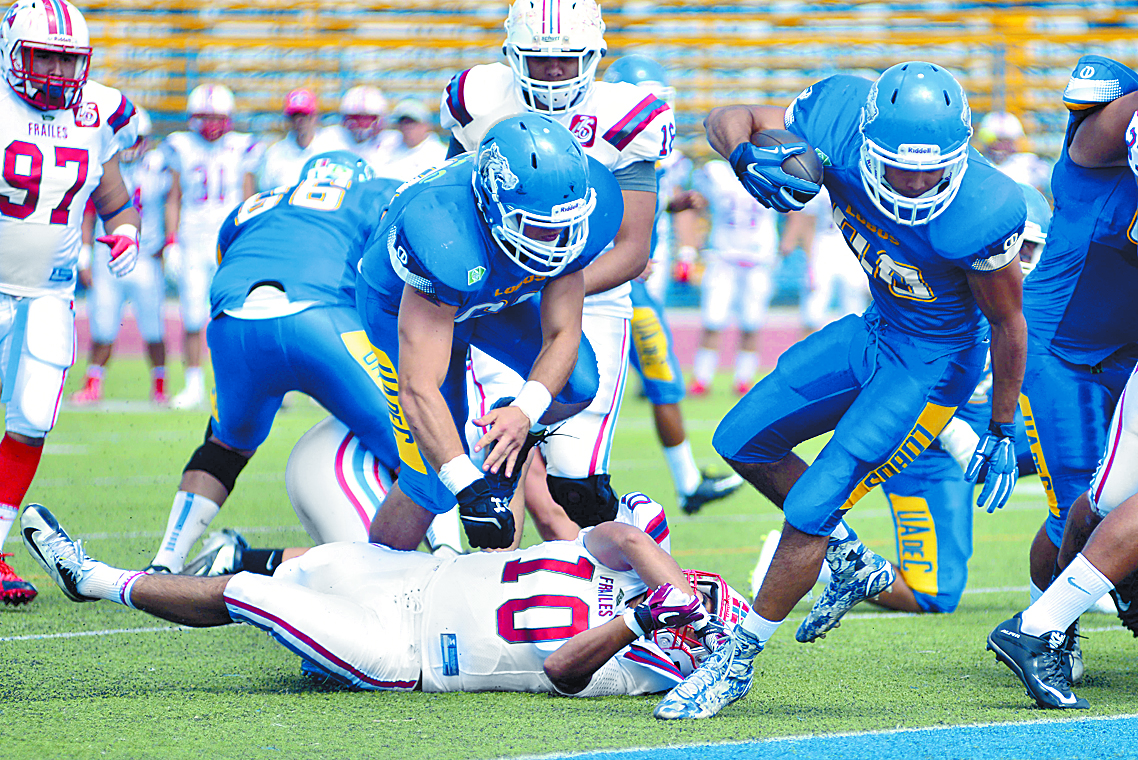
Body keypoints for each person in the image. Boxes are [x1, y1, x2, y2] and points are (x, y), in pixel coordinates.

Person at [653, 61, 1028, 720]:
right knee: (739, 439)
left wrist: (1000, 426)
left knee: (814, 502)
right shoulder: (837, 117)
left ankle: (735, 661)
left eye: (932, 169)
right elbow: (730, 116)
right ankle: (851, 557)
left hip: (933, 364)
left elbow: (1007, 322)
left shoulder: (985, 207)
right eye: (901, 167)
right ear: (868, 139)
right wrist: (744, 157)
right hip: (876, 327)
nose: (916, 183)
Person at [22, 500, 750, 695]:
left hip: (408, 652)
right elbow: (625, 534)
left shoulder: (642, 669)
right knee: (304, 570)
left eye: (701, 624)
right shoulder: (629, 564)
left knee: (251, 593)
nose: (691, 620)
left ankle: (94, 579)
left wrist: (638, 620)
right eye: (697, 602)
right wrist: (667, 594)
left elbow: (562, 670)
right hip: (411, 576)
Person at [442, 0, 674, 530]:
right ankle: (493, 568)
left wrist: (547, 288)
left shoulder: (626, 116)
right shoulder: (478, 97)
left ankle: (643, 539)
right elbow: (452, 202)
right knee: (493, 470)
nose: (552, 70)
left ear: (593, 56)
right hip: (501, 301)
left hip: (593, 297)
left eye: (566, 59)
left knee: (579, 490)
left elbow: (632, 251)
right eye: (539, 58)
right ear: (511, 53)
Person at [355, 113, 622, 553]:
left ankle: (505, 433)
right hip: (404, 302)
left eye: (567, 227)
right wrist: (467, 485)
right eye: (540, 227)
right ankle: (372, 573)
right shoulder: (441, 230)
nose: (557, 241)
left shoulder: (566, 214)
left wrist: (524, 411)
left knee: (577, 385)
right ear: (492, 206)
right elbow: (418, 386)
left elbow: (563, 335)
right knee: (432, 484)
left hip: (490, 286)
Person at [145, 152, 403, 574]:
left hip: (234, 319)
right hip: (318, 318)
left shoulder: (256, 203)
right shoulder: (372, 193)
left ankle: (165, 562)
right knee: (413, 437)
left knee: (225, 446)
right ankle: (447, 552)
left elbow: (230, 254)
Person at [0, 0, 141, 605]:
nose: (58, 72)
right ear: (12, 53)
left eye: (69, 60)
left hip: (49, 293)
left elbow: (115, 198)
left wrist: (126, 231)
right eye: (44, 57)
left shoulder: (97, 111)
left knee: (33, 419)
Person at [1017, 55, 1138, 651]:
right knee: (1078, 507)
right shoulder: (1086, 155)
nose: (1082, 121)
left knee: (1121, 503)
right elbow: (1102, 132)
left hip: (1128, 356)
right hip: (1061, 355)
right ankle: (1049, 626)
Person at [603, 54, 742, 515]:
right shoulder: (599, 151)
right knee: (639, 381)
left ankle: (687, 483)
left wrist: (673, 206)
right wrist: (620, 253)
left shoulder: (659, 156)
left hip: (631, 280)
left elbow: (644, 198)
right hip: (614, 284)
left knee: (655, 379)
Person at [986, 356, 1138, 710]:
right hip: (1063, 354)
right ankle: (1042, 626)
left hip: (1121, 360)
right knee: (1080, 499)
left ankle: (1048, 621)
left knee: (1106, 504)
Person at [161, 83, 261, 409]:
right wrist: (171, 241)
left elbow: (248, 198)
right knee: (192, 315)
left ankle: (238, 386)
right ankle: (193, 386)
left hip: (228, 240)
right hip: (192, 238)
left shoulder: (241, 146)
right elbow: (173, 197)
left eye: (217, 117)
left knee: (236, 313)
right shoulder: (181, 145)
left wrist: (248, 241)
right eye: (206, 117)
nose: (212, 124)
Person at [71, 106, 170, 405]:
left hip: (146, 256)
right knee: (103, 325)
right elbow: (89, 212)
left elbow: (174, 202)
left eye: (135, 139)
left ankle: (160, 387)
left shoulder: (161, 167)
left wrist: (169, 244)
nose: (129, 145)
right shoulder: (104, 164)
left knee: (153, 327)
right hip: (107, 256)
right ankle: (92, 385)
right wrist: (84, 253)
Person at [686, 154, 782, 398]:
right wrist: (693, 244)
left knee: (752, 323)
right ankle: (702, 378)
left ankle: (743, 379)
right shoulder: (715, 172)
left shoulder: (772, 168)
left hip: (757, 261)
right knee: (712, 321)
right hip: (723, 258)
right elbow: (696, 204)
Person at [785, 185, 871, 336]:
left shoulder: (862, 182)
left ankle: (851, 352)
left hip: (854, 249)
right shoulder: (819, 186)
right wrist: (810, 259)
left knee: (855, 313)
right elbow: (808, 223)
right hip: (823, 246)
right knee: (813, 311)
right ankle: (810, 351)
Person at [257, 88, 342, 192]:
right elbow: (266, 191)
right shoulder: (275, 153)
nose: (299, 121)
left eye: (304, 115)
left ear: (315, 117)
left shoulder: (332, 147)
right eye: (294, 116)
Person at [975, 111, 1052, 198]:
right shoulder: (976, 164)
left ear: (1014, 142)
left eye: (1005, 141)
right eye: (994, 141)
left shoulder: (1029, 163)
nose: (999, 146)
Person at [374, 98, 447, 182]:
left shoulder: (439, 155)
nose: (407, 127)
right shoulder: (388, 146)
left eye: (412, 122)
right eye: (403, 122)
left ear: (426, 125)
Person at [328, 84, 388, 167]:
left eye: (368, 119)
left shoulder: (390, 144)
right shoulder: (331, 140)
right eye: (356, 118)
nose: (362, 125)